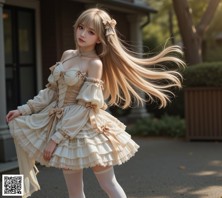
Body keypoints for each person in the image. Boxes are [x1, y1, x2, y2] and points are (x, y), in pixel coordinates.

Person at [6, 7, 185, 198]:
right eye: (81, 27)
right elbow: (51, 92)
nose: (82, 34)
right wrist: (24, 110)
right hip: (59, 122)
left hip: (85, 127)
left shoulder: (95, 64)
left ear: (99, 38)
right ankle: (12, 192)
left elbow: (84, 107)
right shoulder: (67, 55)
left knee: (108, 183)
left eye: (91, 32)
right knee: (74, 192)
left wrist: (56, 139)